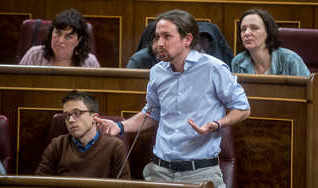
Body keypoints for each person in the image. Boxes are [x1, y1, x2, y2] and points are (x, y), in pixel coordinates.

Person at [95, 9, 250, 187]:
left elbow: (243, 108)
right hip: (160, 172)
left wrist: (216, 124)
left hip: (200, 173)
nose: (159, 43)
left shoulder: (213, 68)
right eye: (157, 37)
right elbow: (151, 113)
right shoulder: (157, 72)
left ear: (187, 39)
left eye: (166, 36)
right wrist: (120, 127)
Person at [35, 90, 130, 178]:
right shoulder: (58, 145)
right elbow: (39, 183)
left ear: (94, 117)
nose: (71, 120)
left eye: (77, 113)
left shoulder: (115, 146)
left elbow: (123, 185)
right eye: (66, 116)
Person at [231, 8, 310, 76]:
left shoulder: (291, 61)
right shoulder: (238, 62)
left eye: (254, 28)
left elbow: (311, 92)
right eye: (243, 29)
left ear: (269, 32)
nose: (247, 33)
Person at [19, 9, 100, 67]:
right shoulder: (34, 55)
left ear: (78, 41)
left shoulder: (89, 63)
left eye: (68, 36)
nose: (60, 40)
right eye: (58, 33)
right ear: (51, 33)